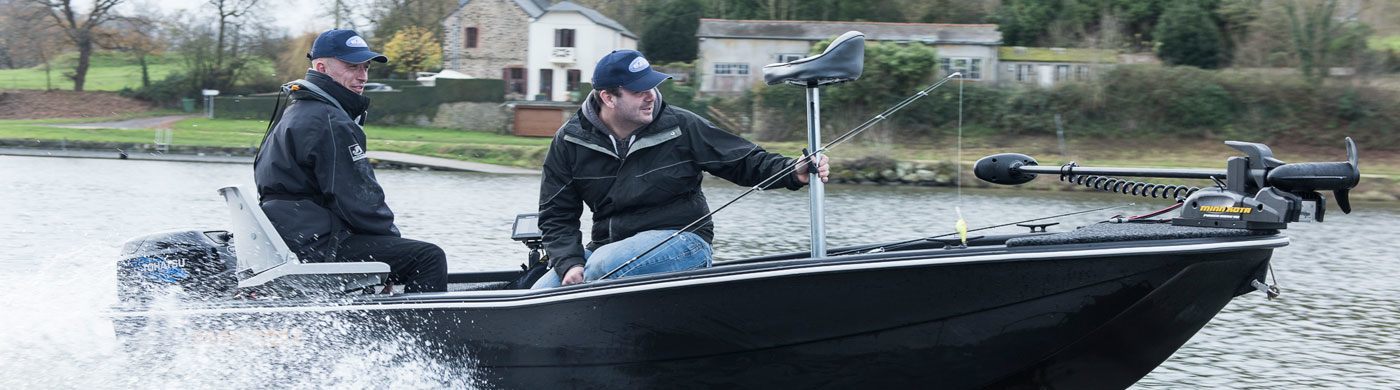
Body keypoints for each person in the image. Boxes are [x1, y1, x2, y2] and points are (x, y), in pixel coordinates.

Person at [533, 49, 830, 288]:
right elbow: (556, 215)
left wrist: (794, 170)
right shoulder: (569, 141)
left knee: (600, 266)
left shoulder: (682, 125)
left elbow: (743, 160)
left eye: (652, 85)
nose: (650, 95)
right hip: (607, 249)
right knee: (538, 296)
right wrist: (570, 263)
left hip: (684, 243)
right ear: (608, 97)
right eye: (639, 90)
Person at [254, 29, 447, 293]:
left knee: (401, 254)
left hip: (295, 237)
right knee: (426, 258)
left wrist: (386, 253)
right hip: (317, 244)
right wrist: (391, 250)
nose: (363, 76)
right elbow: (359, 200)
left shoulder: (298, 110)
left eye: (366, 67)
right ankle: (418, 335)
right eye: (352, 66)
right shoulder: (330, 120)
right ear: (321, 67)